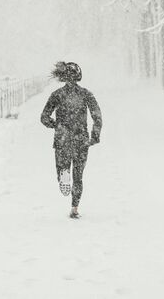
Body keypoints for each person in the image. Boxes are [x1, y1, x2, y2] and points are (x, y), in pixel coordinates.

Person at [41, 62, 102, 219]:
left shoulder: (57, 95)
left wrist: (56, 125)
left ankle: (63, 175)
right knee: (79, 175)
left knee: (63, 170)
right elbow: (97, 116)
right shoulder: (86, 94)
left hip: (62, 139)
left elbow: (44, 117)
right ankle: (74, 208)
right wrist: (95, 135)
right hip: (81, 139)